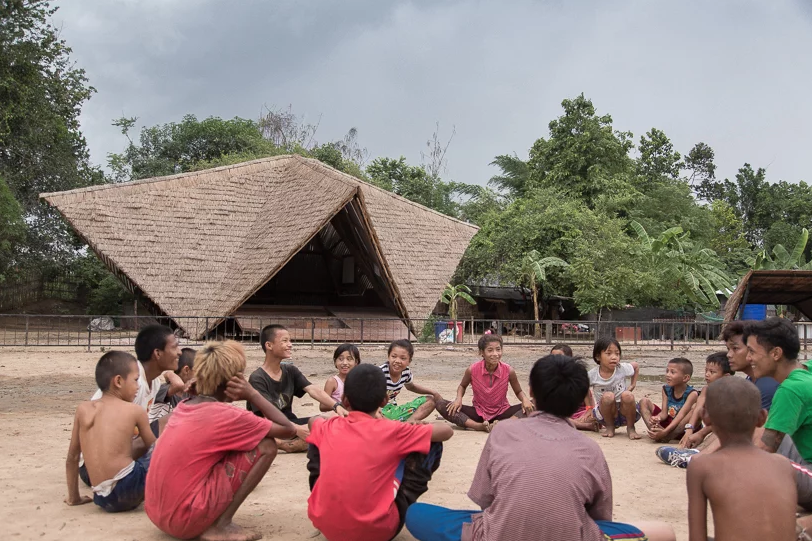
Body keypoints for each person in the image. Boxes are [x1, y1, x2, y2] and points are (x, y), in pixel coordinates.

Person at [404, 355, 676, 541]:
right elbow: (599, 516)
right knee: (663, 532)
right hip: (572, 534)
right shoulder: (589, 449)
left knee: (416, 514)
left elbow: (485, 501)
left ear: (531, 391)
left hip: (498, 533)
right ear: (581, 398)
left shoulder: (504, 432)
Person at [145, 340, 296, 541]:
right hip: (183, 521)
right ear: (234, 381)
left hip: (157, 514)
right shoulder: (227, 415)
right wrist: (252, 394)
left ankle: (213, 518)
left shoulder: (185, 405)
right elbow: (288, 429)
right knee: (266, 445)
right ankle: (221, 525)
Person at [306, 364, 453, 541]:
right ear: (384, 400)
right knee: (432, 444)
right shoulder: (394, 430)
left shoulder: (329, 426)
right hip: (379, 531)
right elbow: (446, 431)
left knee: (316, 439)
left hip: (327, 526)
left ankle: (328, 505)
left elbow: (313, 421)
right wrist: (416, 426)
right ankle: (402, 500)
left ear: (345, 400)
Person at [656, 320, 781, 468]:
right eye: (728, 349)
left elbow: (761, 432)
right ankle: (698, 453)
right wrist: (701, 434)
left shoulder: (767, 383)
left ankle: (700, 458)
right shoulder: (753, 379)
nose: (729, 355)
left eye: (735, 349)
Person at [686, 377, 797, 541]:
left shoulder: (701, 466)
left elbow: (697, 537)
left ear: (705, 417)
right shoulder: (783, 464)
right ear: (762, 417)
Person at [78, 324, 180, 486]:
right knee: (175, 417)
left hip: (107, 459)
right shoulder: (134, 383)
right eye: (175, 347)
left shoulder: (152, 383)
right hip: (97, 467)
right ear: (157, 354)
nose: (179, 352)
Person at [65, 351, 157, 512]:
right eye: (136, 380)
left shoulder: (83, 409)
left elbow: (72, 457)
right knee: (164, 445)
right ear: (119, 381)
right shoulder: (134, 410)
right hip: (130, 487)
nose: (138, 386)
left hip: (102, 498)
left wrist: (74, 497)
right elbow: (156, 450)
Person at [744, 318, 812, 517]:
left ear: (776, 353)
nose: (748, 358)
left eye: (752, 351)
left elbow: (765, 450)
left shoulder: (790, 390)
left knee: (762, 449)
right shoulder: (806, 370)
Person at [248, 324, 348, 453]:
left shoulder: (290, 370)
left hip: (290, 422)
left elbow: (313, 389)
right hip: (270, 427)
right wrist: (296, 430)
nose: (290, 345)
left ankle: (302, 441)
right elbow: (267, 416)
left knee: (332, 417)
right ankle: (286, 444)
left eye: (290, 341)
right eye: (285, 341)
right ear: (269, 345)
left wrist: (337, 406)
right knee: (324, 431)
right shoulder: (257, 378)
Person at [436, 334, 534, 432]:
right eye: (490, 350)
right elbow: (462, 386)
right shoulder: (472, 370)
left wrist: (525, 399)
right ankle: (478, 426)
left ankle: (504, 424)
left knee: (538, 403)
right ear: (481, 352)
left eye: (498, 349)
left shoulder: (509, 371)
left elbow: (518, 391)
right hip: (478, 413)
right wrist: (458, 399)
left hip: (503, 413)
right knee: (441, 404)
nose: (495, 354)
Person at [588, 337, 642, 439]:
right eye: (609, 354)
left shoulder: (621, 368)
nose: (614, 357)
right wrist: (588, 408)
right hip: (605, 414)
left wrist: (632, 385)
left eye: (617, 354)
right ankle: (609, 427)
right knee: (608, 396)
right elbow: (583, 387)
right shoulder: (593, 374)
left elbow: (636, 366)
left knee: (627, 395)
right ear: (598, 357)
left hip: (624, 413)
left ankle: (631, 428)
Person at [679, 352, 734, 449]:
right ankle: (670, 435)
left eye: (712, 372)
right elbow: (697, 409)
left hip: (726, 429)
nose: (707, 374)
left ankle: (699, 451)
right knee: (694, 410)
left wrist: (702, 433)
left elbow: (726, 421)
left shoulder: (730, 393)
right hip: (713, 424)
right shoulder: (706, 389)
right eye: (706, 370)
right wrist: (689, 430)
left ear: (726, 377)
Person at [379, 339, 440, 422]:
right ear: (388, 357)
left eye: (403, 358)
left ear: (409, 361)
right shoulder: (379, 373)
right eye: (394, 356)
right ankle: (391, 424)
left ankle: (409, 422)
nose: (397, 361)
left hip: (393, 410)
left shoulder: (406, 372)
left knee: (431, 400)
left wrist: (433, 392)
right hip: (376, 411)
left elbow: (411, 387)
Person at [640, 358, 698, 442]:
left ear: (685, 378)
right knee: (643, 401)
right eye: (667, 371)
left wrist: (665, 432)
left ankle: (666, 437)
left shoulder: (692, 394)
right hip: (668, 425)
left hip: (683, 429)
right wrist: (657, 418)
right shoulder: (666, 389)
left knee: (695, 409)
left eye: (672, 372)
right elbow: (664, 413)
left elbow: (680, 417)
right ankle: (655, 432)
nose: (668, 375)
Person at [149, 347, 196, 435]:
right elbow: (178, 385)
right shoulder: (165, 388)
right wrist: (169, 373)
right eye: (199, 371)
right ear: (186, 370)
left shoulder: (193, 393)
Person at [320, 343, 360, 411]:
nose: (344, 363)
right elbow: (322, 406)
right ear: (335, 362)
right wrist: (340, 405)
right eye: (340, 359)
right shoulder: (332, 382)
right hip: (336, 418)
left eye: (349, 359)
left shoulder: (360, 381)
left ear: (356, 362)